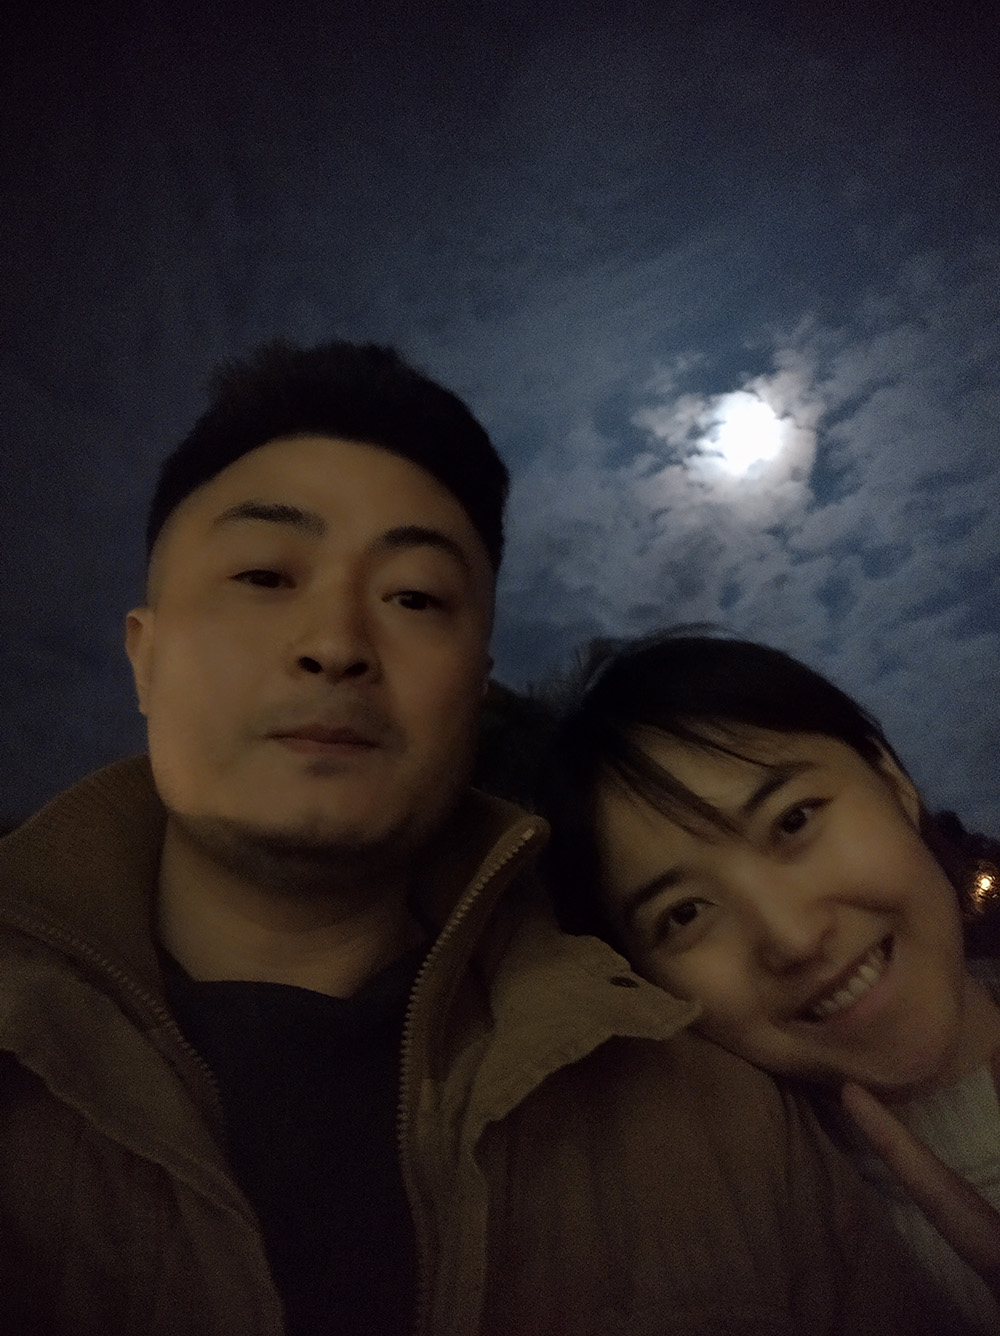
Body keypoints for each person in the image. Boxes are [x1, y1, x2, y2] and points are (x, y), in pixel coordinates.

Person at [0, 346, 969, 1336]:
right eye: (263, 574)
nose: (334, 643)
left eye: (415, 596)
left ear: (474, 686)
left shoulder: (715, 1120)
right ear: (145, 655)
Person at [544, 629, 1000, 1332]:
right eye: (685, 914)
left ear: (891, 782)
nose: (792, 937)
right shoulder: (764, 1266)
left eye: (793, 821)